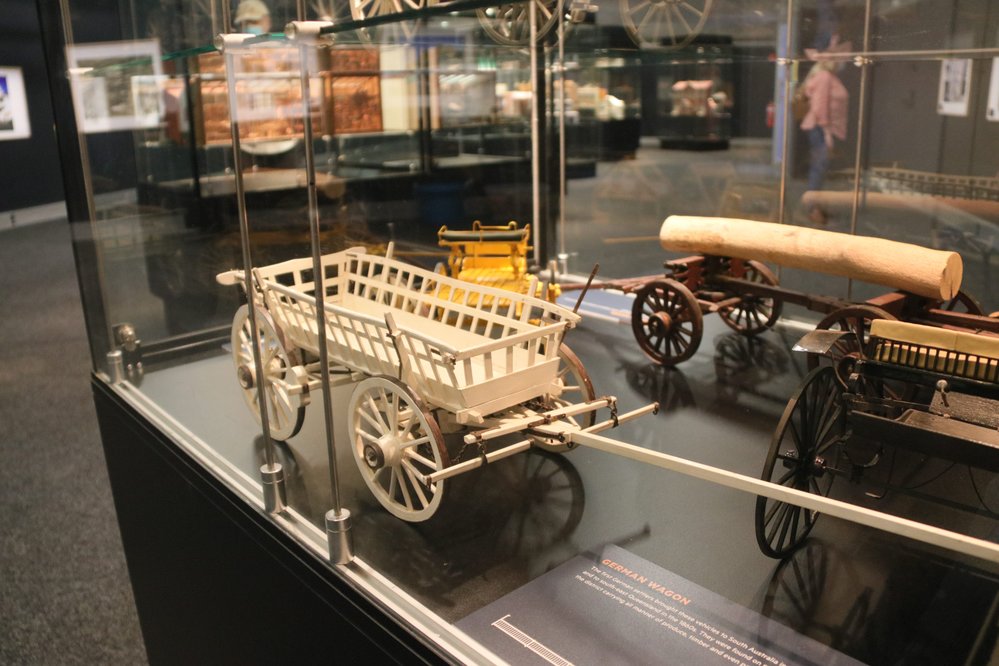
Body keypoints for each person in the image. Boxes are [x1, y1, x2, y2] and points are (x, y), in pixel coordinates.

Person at [800, 34, 850, 226]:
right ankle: (813, 209)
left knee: (819, 168)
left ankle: (816, 208)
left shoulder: (826, 76)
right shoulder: (824, 76)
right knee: (818, 168)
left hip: (822, 128)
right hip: (821, 128)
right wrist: (827, 133)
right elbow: (820, 107)